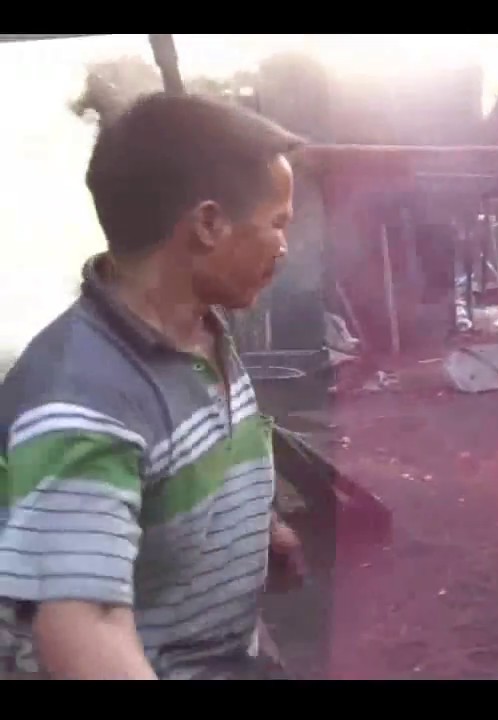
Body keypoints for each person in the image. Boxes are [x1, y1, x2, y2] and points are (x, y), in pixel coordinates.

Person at [0, 92, 308, 680]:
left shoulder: (197, 324)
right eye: (278, 223)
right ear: (209, 224)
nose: (284, 246)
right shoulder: (83, 404)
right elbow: (83, 628)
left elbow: (198, 455)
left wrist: (258, 525)